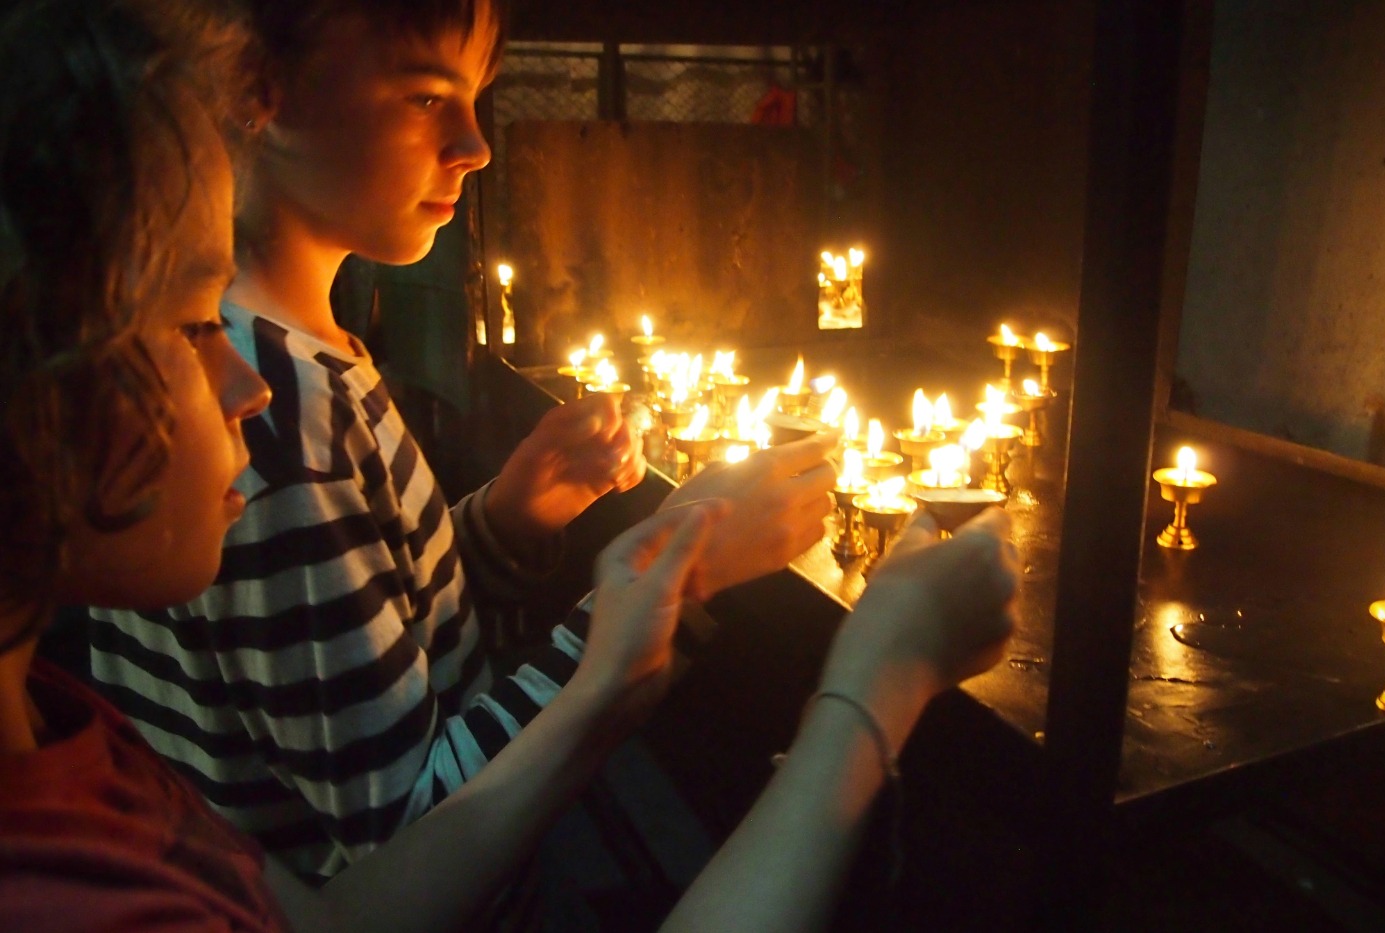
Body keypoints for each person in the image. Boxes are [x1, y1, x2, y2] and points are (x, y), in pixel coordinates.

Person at [0, 5, 1018, 927]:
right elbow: (401, 831)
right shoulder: (285, 423)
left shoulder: (85, 741)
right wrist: (691, 584)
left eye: (475, 98)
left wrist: (497, 528)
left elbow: (376, 681)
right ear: (258, 92)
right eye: (424, 96)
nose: (477, 144)